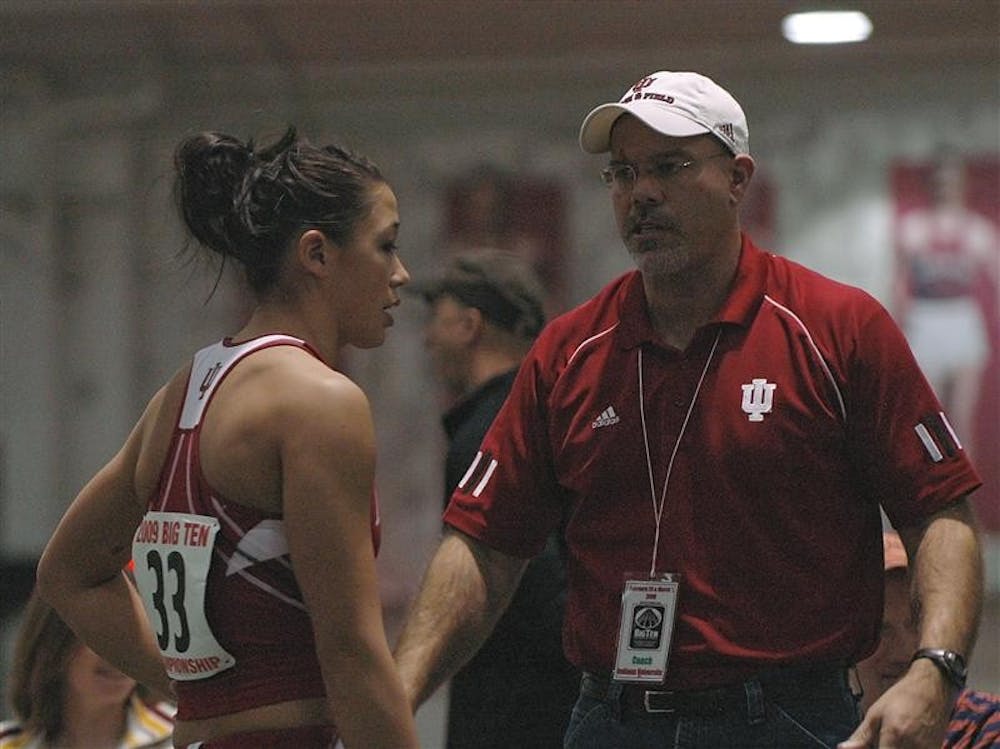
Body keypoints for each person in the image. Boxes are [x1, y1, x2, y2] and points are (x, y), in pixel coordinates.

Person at [392, 70, 984, 749]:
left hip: (787, 717)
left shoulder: (836, 328)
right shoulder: (570, 351)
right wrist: (393, 699)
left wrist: (936, 668)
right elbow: (483, 546)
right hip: (610, 718)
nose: (641, 192)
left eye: (670, 166)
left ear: (737, 177)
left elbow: (939, 511)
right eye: (622, 174)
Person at [35, 127, 420, 748]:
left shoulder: (180, 396)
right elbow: (351, 652)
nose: (401, 275)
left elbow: (69, 574)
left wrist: (193, 688)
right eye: (386, 246)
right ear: (317, 254)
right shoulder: (321, 403)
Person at [412, 248, 579, 747]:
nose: (427, 339)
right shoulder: (545, 414)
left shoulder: (488, 435)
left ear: (469, 325)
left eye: (436, 322)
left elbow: (531, 579)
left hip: (514, 717)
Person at [894, 154, 999, 459]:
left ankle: (968, 497)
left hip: (961, 319)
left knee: (963, 416)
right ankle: (935, 491)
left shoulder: (978, 231)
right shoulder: (913, 229)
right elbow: (900, 283)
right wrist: (898, 326)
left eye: (952, 181)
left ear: (961, 184)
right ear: (931, 185)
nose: (945, 188)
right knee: (930, 414)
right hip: (925, 319)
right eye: (939, 181)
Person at [854, 531, 1000, 748]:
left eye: (916, 624)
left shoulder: (983, 726)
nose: (903, 651)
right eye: (880, 631)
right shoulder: (808, 726)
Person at [0, 589, 174, 749]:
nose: (118, 653)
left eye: (132, 633)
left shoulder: (184, 737)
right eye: (102, 635)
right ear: (54, 642)